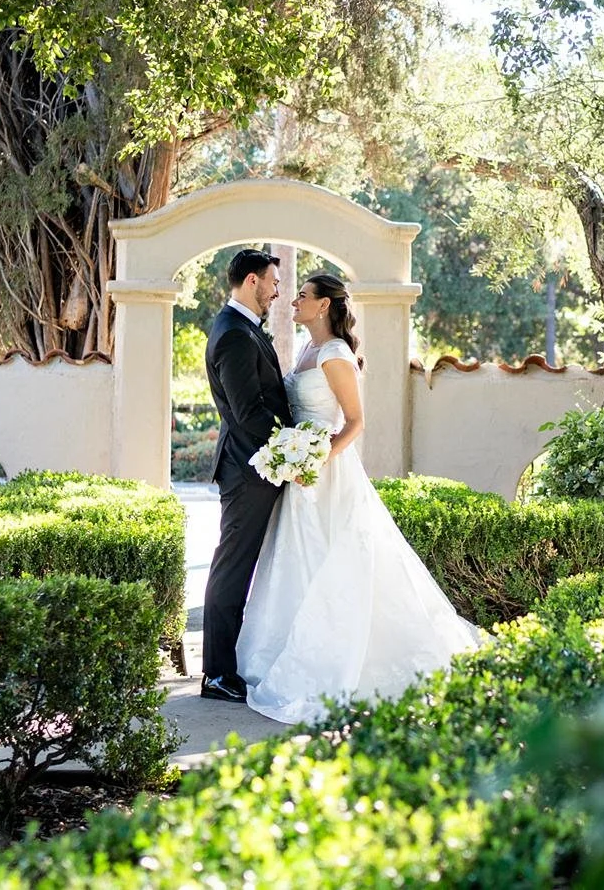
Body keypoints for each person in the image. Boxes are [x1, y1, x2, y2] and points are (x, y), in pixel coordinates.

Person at [236, 270, 483, 724]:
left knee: (338, 562)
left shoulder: (335, 353)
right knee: (300, 561)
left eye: (303, 296)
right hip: (302, 476)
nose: (294, 301)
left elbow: (354, 422)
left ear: (324, 305)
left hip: (328, 473)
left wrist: (315, 460)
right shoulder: (307, 349)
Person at [199, 247, 291, 702]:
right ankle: (217, 674)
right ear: (252, 280)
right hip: (248, 469)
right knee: (233, 569)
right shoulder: (234, 334)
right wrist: (293, 450)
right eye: (273, 283)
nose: (277, 292)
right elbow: (248, 413)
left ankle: (232, 664)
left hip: (256, 465)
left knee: (240, 566)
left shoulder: (243, 327)